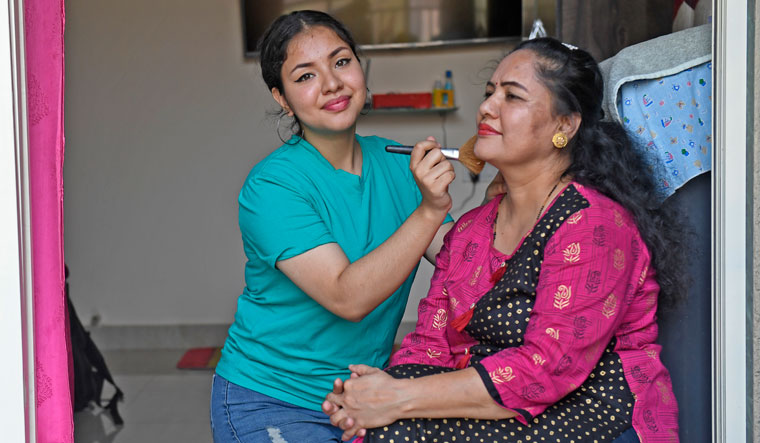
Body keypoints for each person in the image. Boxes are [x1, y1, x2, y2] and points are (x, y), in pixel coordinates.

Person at [323, 37, 687, 443]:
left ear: (565, 125)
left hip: (592, 411)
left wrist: (398, 397)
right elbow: (429, 343)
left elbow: (546, 370)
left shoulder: (595, 224)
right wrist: (375, 396)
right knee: (375, 428)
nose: (487, 107)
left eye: (512, 96)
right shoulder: (471, 230)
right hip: (493, 399)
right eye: (489, 92)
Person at [210, 10, 459, 442]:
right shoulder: (272, 186)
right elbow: (348, 297)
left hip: (364, 398)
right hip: (272, 398)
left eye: (341, 62)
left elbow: (465, 262)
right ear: (282, 98)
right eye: (305, 76)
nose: (331, 83)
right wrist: (429, 210)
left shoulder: (398, 162)